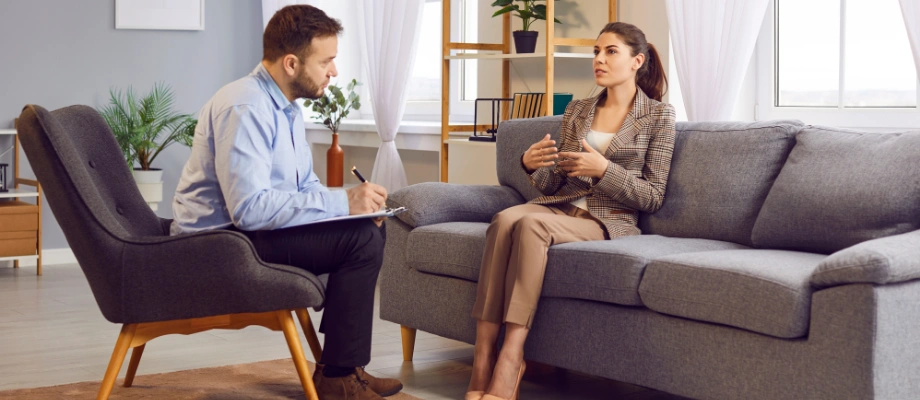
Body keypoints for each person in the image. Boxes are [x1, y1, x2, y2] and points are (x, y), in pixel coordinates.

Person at [171, 5, 401, 400]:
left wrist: (355, 210)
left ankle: (342, 369)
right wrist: (345, 202)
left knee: (363, 231)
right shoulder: (246, 107)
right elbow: (249, 210)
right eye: (326, 61)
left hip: (247, 235)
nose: (334, 72)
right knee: (360, 240)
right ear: (292, 63)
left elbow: (302, 189)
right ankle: (340, 376)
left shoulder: (286, 107)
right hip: (220, 246)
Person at [465, 22, 677, 400]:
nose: (599, 59)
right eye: (596, 51)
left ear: (636, 61)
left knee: (528, 227)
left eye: (611, 51)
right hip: (558, 208)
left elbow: (652, 196)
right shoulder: (578, 110)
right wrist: (531, 166)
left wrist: (605, 171)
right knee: (506, 218)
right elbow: (553, 184)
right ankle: (483, 355)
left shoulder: (659, 116)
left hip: (606, 220)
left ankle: (511, 356)